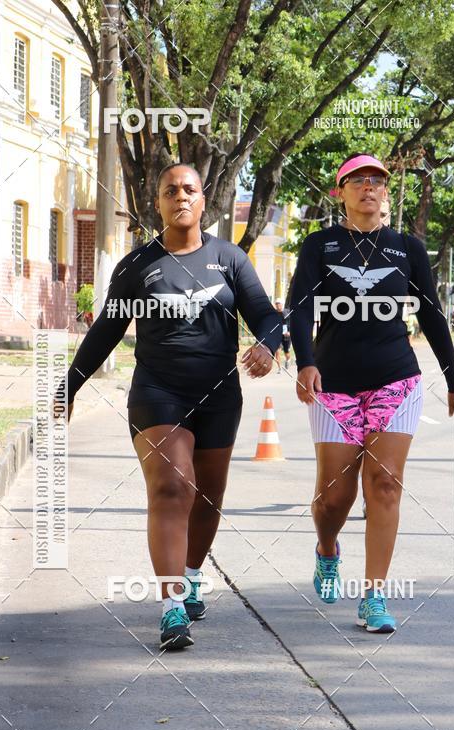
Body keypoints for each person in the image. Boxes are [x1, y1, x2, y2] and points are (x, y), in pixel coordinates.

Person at [55, 163, 281, 650]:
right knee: (174, 487)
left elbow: (265, 314)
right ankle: (172, 607)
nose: (181, 196)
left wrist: (267, 344)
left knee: (207, 497)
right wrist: (69, 385)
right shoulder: (136, 267)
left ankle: (194, 574)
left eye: (189, 189)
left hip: (220, 395)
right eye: (170, 190)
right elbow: (105, 332)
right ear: (156, 202)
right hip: (158, 392)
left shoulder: (231, 259)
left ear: (204, 201)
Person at [289, 153, 454, 633]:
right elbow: (300, 309)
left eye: (378, 180)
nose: (369, 187)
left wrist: (453, 377)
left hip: (396, 380)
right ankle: (327, 550)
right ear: (338, 191)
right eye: (358, 180)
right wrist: (305, 362)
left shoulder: (408, 248)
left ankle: (374, 596)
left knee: (384, 484)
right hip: (335, 384)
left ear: (386, 191)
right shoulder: (320, 245)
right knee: (333, 499)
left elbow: (431, 317)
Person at [274, 300, 292, 370]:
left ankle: (288, 360)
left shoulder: (288, 312)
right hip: (278, 335)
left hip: (286, 335)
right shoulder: (274, 313)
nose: (278, 306)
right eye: (276, 304)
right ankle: (279, 368)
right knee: (277, 351)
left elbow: (292, 323)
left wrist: (290, 332)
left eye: (279, 304)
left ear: (282, 305)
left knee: (286, 351)